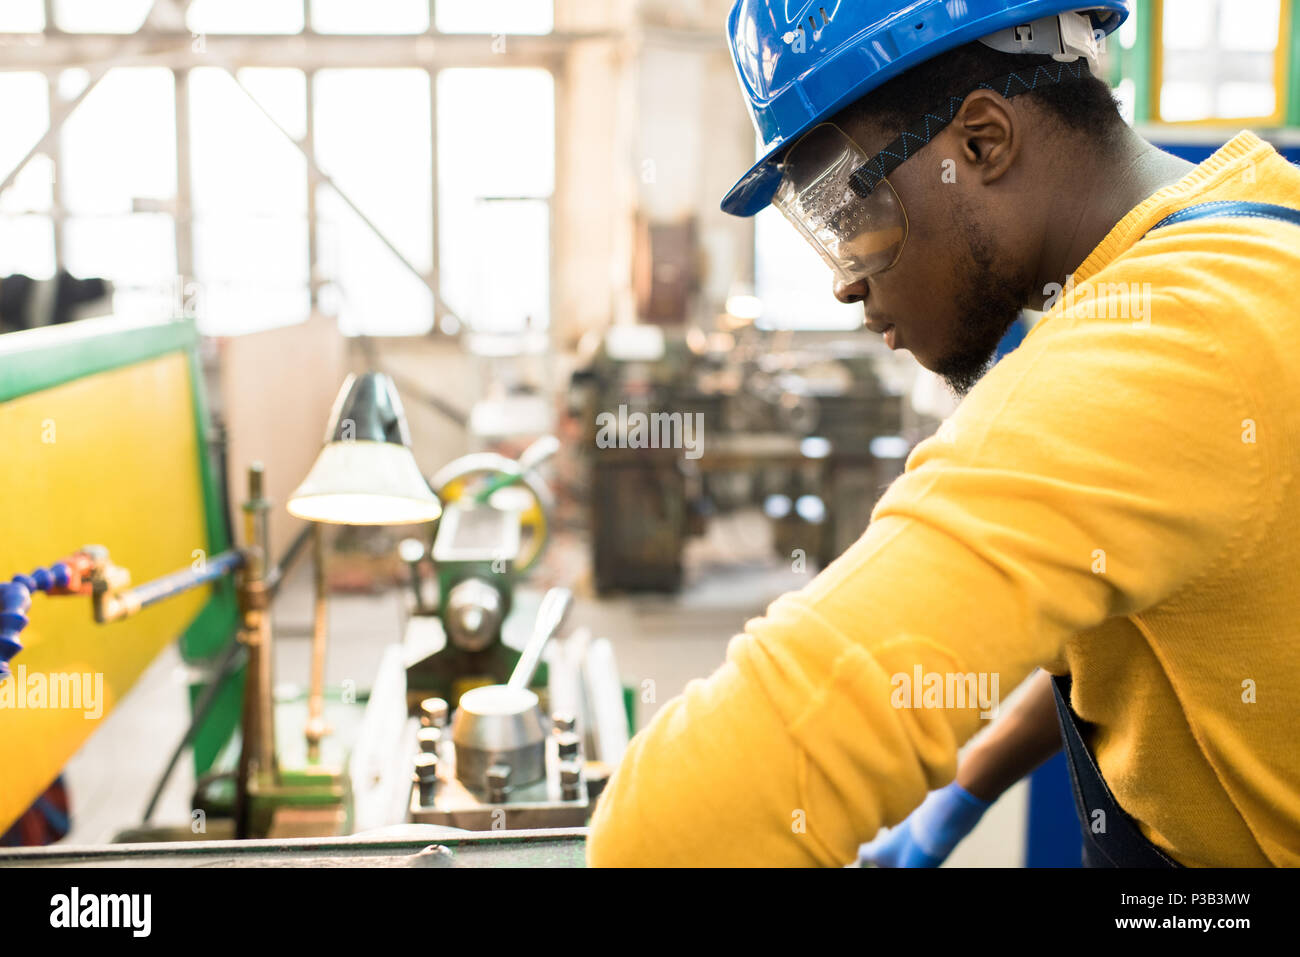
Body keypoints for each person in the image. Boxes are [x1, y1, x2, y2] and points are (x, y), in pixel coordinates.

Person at [586, 0, 1300, 867]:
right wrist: (967, 786)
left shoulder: (1153, 354)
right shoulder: (1252, 222)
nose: (845, 285)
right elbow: (1145, 612)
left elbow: (666, 828)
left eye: (849, 212)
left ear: (983, 143)